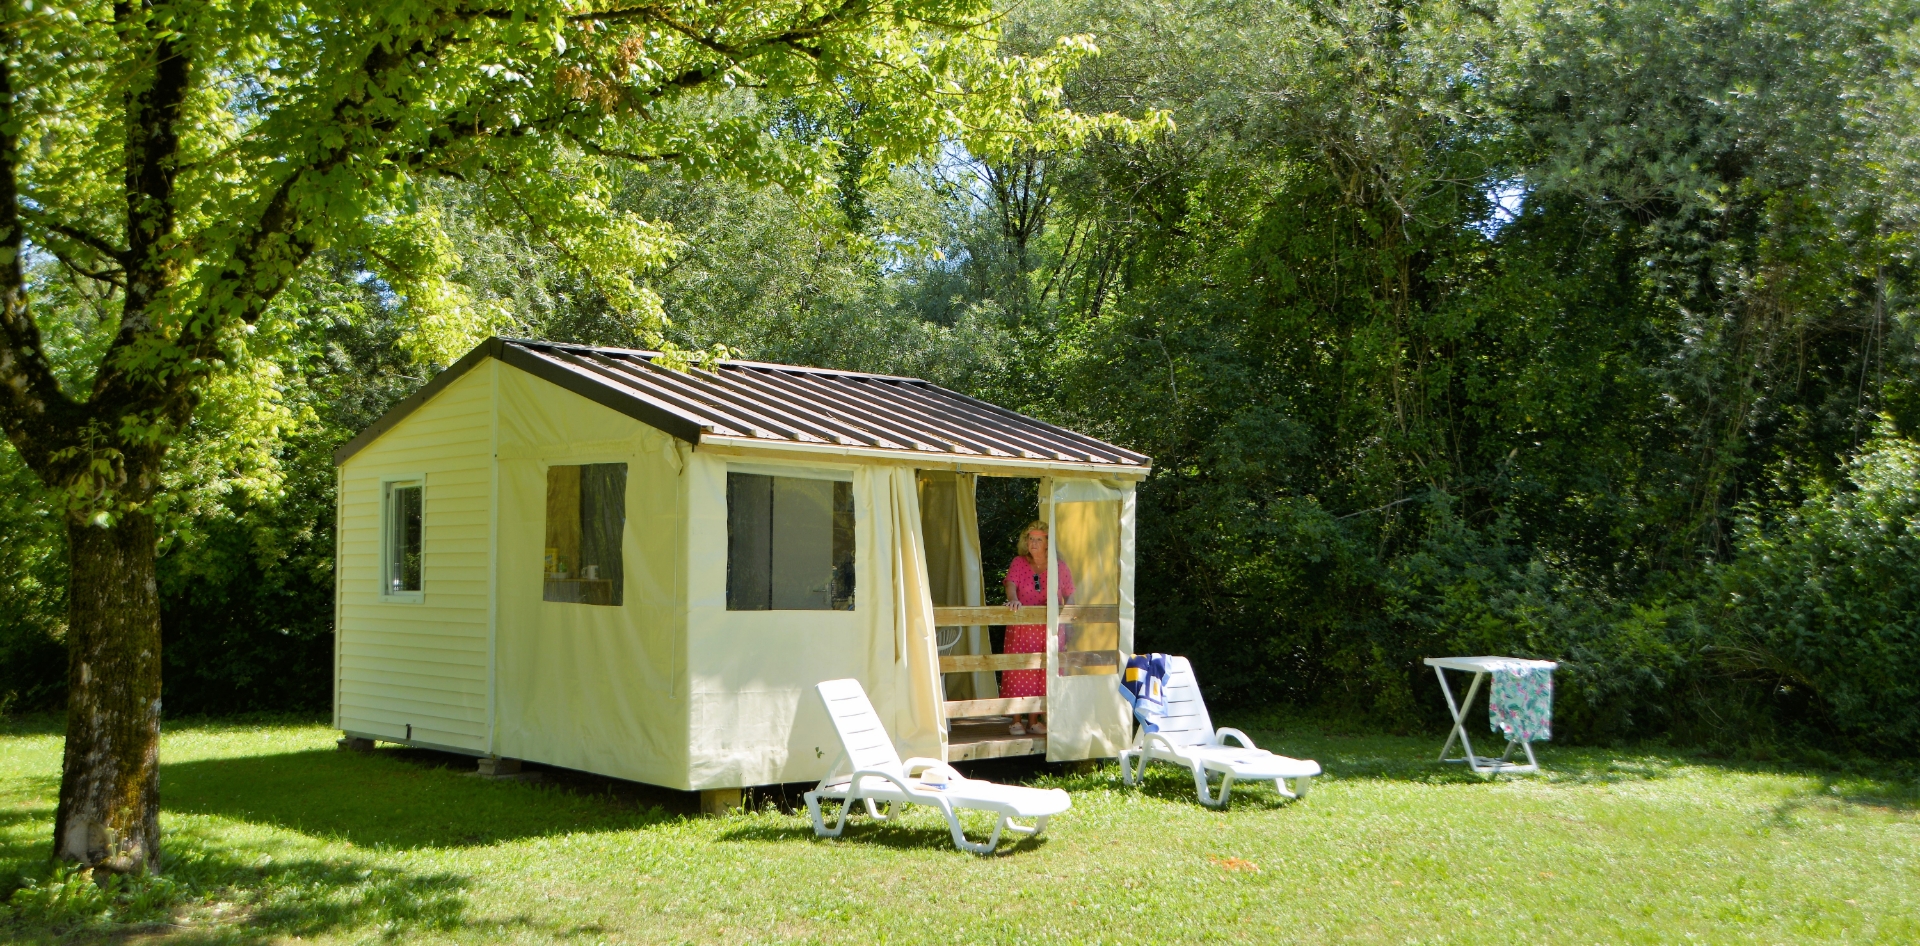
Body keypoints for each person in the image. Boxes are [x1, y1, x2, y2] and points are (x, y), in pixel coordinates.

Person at [1001, 520, 1073, 736]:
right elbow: (1011, 584)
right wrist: (1014, 601)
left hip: (1048, 629)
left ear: (1047, 543)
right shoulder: (1019, 562)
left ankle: (1033, 720)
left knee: (1042, 673)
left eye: (1038, 539)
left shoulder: (1059, 566)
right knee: (1019, 671)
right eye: (1030, 539)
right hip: (1023, 628)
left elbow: (1071, 593)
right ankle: (1016, 720)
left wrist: (1066, 614)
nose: (1033, 543)